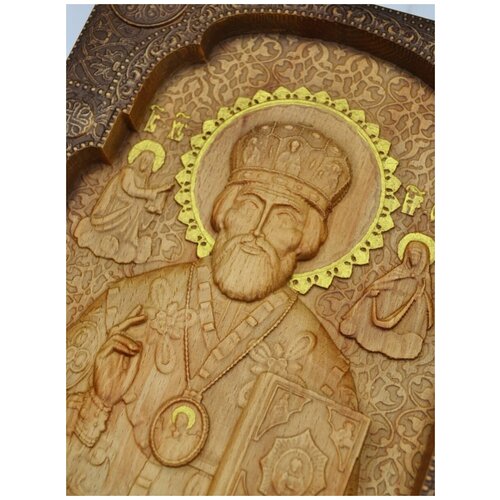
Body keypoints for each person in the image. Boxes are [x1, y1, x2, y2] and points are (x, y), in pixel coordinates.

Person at [67, 122, 361, 495]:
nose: (258, 229)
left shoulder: (323, 368)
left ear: (307, 239)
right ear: (223, 211)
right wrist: (97, 403)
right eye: (250, 206)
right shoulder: (130, 301)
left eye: (284, 218)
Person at [340, 240, 434, 359]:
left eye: (417, 256)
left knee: (421, 303)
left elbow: (428, 299)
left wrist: (419, 295)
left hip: (411, 315)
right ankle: (359, 327)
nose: (413, 258)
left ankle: (406, 344)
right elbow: (382, 283)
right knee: (375, 296)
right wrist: (373, 289)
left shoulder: (425, 277)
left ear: (422, 258)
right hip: (390, 307)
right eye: (411, 255)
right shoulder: (400, 271)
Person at [74, 152, 173, 264]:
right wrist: (154, 191)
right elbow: (130, 189)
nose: (145, 163)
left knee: (139, 204)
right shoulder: (128, 171)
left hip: (130, 210)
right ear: (138, 158)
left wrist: (160, 191)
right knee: (135, 205)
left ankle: (126, 238)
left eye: (148, 161)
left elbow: (140, 195)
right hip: (116, 206)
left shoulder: (144, 179)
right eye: (144, 159)